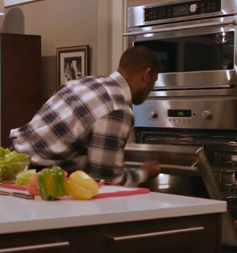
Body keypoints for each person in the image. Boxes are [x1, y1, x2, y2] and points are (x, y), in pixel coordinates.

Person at [9, 46, 161, 186]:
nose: (150, 90)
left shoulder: (84, 83)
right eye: (153, 82)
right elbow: (107, 180)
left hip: (12, 166)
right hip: (41, 179)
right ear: (147, 75)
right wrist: (144, 172)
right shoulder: (117, 109)